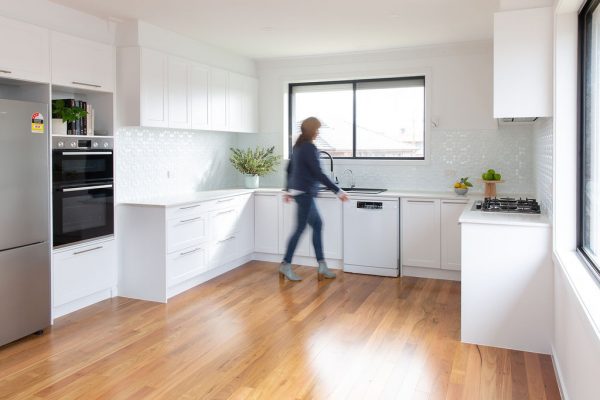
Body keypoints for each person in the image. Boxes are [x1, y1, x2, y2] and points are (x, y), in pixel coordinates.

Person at [280, 117, 348, 281]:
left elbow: (289, 169)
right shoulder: (308, 147)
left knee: (317, 225)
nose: (318, 132)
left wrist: (288, 190)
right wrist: (338, 191)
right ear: (311, 130)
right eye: (317, 129)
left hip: (301, 192)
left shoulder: (298, 146)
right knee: (300, 229)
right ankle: (286, 264)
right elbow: (318, 173)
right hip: (304, 194)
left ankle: (322, 265)